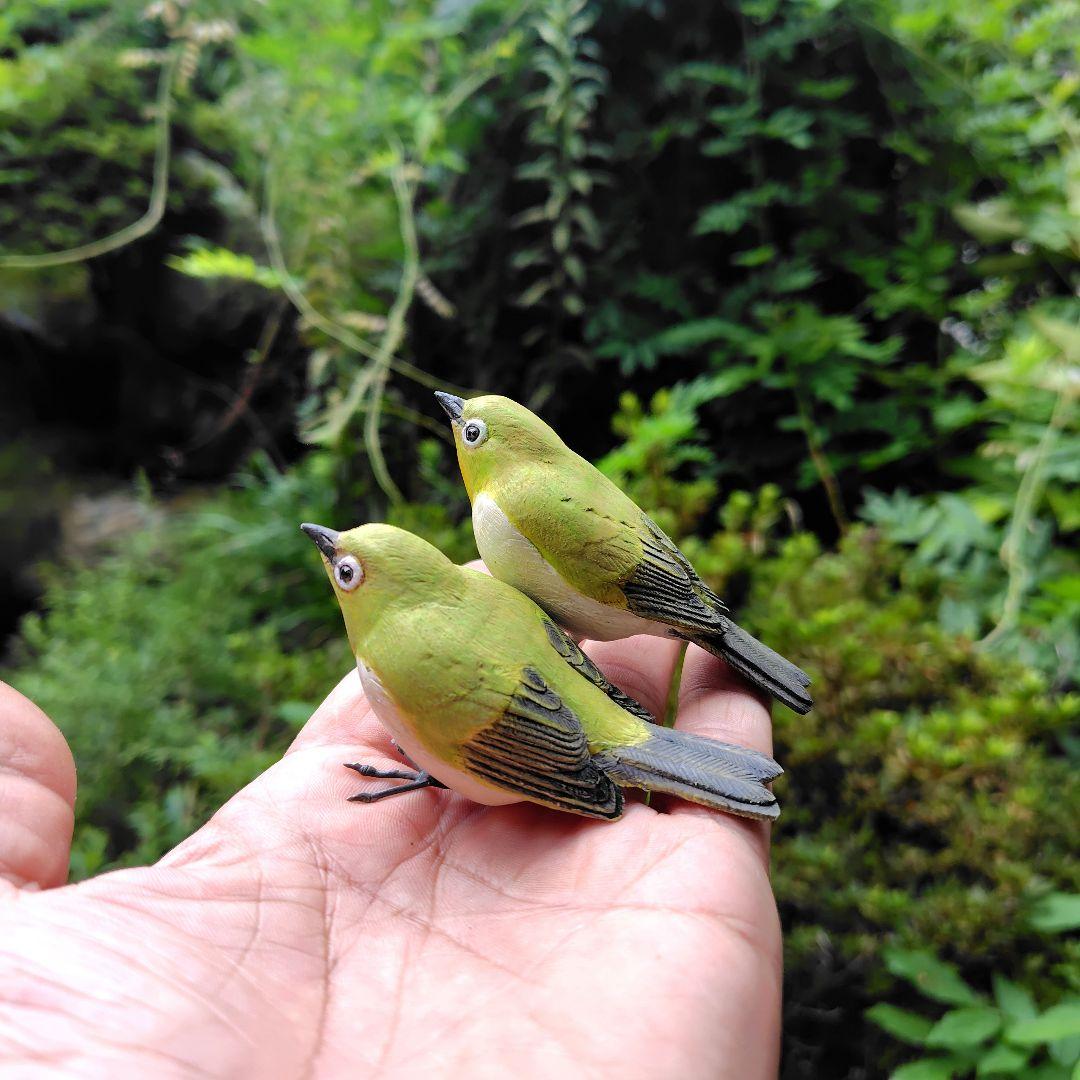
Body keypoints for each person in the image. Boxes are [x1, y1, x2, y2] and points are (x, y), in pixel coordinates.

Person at [0, 634, 781, 1077]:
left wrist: (576, 776)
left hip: (557, 746)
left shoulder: (410, 657)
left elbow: (504, 740)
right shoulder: (404, 655)